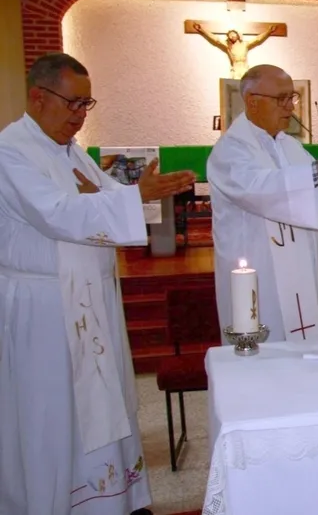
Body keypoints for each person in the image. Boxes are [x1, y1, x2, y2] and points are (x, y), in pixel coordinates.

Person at [0, 53, 195, 515]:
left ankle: (109, 498)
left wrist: (134, 195)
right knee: (53, 410)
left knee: (105, 401)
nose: (79, 115)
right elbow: (57, 214)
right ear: (37, 96)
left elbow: (107, 200)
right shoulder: (12, 151)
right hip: (44, 306)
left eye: (87, 104)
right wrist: (133, 197)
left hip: (87, 297)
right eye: (72, 103)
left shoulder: (72, 154)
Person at [208, 64, 318, 342]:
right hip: (261, 271)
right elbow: (260, 191)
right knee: (266, 353)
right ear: (252, 101)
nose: (290, 106)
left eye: (293, 98)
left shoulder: (290, 146)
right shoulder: (230, 150)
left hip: (301, 268)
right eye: (282, 99)